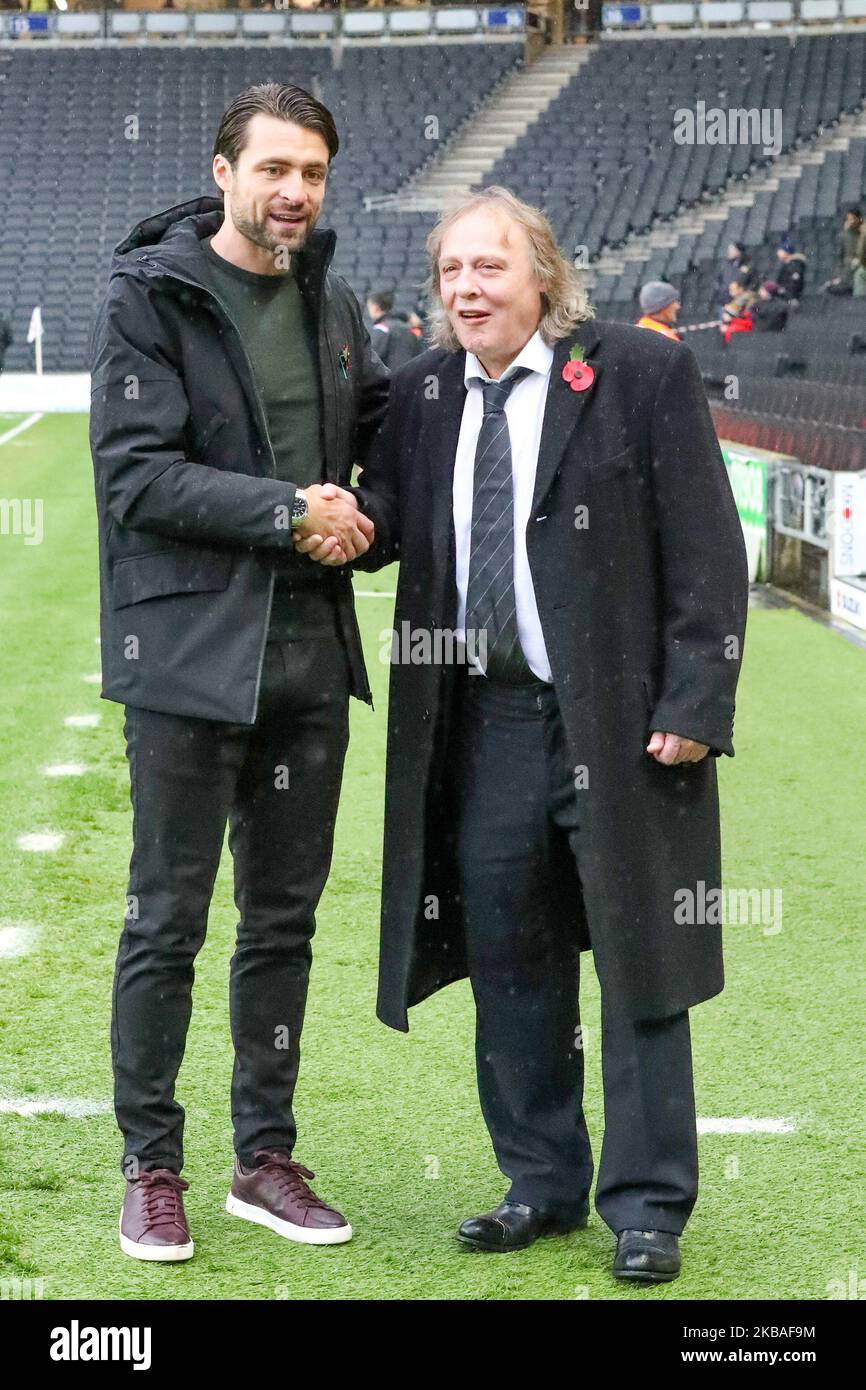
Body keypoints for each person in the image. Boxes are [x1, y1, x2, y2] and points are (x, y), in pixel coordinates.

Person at [301, 186, 749, 1283]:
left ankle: (645, 1206)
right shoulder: (420, 393)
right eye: (450, 271)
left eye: (487, 269)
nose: (465, 290)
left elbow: (705, 546)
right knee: (510, 960)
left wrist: (695, 702)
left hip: (618, 721)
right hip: (484, 722)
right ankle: (540, 1182)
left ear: (541, 275)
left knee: (641, 961)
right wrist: (334, 519)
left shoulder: (638, 375)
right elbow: (395, 523)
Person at [89, 82, 386, 1262]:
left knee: (283, 921)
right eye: (273, 169)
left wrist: (359, 518)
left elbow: (373, 448)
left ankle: (264, 1159)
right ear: (224, 172)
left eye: (311, 171)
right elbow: (136, 477)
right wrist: (285, 510)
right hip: (184, 659)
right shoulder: (148, 295)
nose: (294, 192)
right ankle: (150, 1166)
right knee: (166, 919)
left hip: (309, 656)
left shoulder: (335, 301)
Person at [366, 288, 425, 370]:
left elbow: (370, 360)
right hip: (412, 378)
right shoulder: (410, 329)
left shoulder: (382, 329)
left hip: (391, 379)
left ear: (375, 307)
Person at [824, 208, 862, 295]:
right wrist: (837, 276)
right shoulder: (843, 236)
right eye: (848, 219)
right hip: (847, 273)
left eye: (852, 219)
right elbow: (839, 258)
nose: (850, 222)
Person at [714, 240, 757, 315]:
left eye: (732, 250)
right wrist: (723, 290)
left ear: (739, 251)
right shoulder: (724, 264)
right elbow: (717, 280)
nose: (729, 252)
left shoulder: (749, 264)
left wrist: (742, 292)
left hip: (740, 302)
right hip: (724, 300)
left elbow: (753, 282)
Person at [720, 279, 756, 344]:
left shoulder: (746, 296)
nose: (730, 292)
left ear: (740, 289)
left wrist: (728, 309)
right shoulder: (735, 298)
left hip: (745, 326)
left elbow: (732, 311)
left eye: (733, 289)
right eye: (730, 289)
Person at [775, 236, 807, 303]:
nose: (778, 253)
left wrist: (791, 297)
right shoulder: (787, 265)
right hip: (784, 298)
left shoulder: (795, 265)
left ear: (786, 252)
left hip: (790, 298)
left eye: (780, 251)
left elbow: (795, 283)